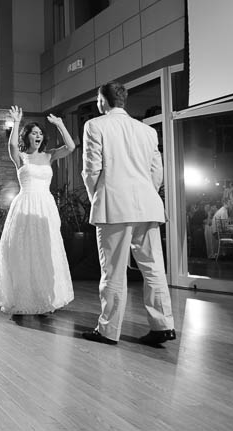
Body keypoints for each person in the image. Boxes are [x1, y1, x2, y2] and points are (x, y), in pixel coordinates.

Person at [81, 81, 175, 346]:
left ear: (102, 100)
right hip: (148, 205)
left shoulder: (95, 125)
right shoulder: (147, 131)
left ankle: (109, 330)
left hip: (114, 206)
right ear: (123, 100)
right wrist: (146, 194)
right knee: (154, 268)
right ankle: (163, 326)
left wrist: (97, 198)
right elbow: (157, 171)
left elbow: (92, 170)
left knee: (113, 271)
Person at [0, 105, 76, 317]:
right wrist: (17, 121)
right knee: (24, 251)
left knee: (46, 251)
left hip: (45, 206)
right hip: (25, 205)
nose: (38, 136)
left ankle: (46, 297)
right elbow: (12, 144)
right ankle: (23, 297)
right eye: (34, 133)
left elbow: (71, 146)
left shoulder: (49, 156)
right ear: (27, 136)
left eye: (40, 133)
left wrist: (60, 124)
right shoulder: (20, 156)